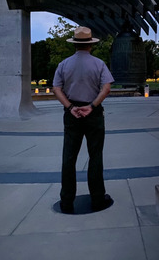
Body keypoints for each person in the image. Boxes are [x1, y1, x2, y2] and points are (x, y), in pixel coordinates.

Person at [52, 26, 115, 214]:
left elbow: (56, 89)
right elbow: (106, 88)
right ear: (90, 45)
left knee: (68, 158)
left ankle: (66, 200)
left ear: (75, 44)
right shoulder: (99, 64)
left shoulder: (63, 64)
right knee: (95, 156)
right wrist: (92, 106)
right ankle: (97, 198)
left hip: (72, 115)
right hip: (93, 113)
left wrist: (71, 108)